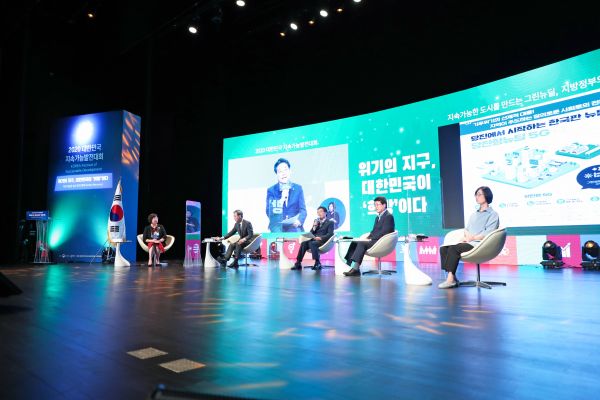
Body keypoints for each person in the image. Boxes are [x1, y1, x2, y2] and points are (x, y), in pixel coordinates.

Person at [438, 186, 500, 289]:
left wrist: (472, 238)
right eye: (476, 195)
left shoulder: (493, 214)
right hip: (469, 242)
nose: (477, 197)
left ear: (487, 196)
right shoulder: (473, 215)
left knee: (454, 248)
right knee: (444, 248)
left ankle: (450, 280)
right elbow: (466, 229)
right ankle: (453, 277)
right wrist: (466, 237)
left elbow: (488, 233)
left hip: (480, 244)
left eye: (479, 194)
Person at [343, 196, 395, 277]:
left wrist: (371, 238)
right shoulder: (377, 217)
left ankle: (355, 269)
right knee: (355, 242)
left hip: (381, 241)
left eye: (378, 205)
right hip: (375, 240)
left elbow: (385, 231)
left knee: (362, 243)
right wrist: (368, 237)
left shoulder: (388, 216)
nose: (376, 207)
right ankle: (352, 265)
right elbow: (374, 231)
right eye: (375, 205)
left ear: (384, 205)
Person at [266, 158, 307, 232]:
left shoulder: (298, 188)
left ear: (290, 171)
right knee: (277, 234)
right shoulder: (271, 190)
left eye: (285, 170)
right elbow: (269, 211)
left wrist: (299, 221)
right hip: (278, 226)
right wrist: (282, 199)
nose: (283, 173)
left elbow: (303, 210)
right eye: (280, 171)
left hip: (294, 226)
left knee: (297, 234)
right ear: (276, 174)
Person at [292, 206, 335, 271]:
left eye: (320, 212)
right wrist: (314, 226)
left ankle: (317, 263)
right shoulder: (316, 221)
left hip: (323, 241)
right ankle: (298, 263)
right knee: (304, 243)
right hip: (314, 240)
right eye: (318, 212)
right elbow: (311, 232)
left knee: (312, 243)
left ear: (325, 213)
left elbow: (330, 234)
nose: (319, 213)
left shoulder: (330, 222)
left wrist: (320, 238)